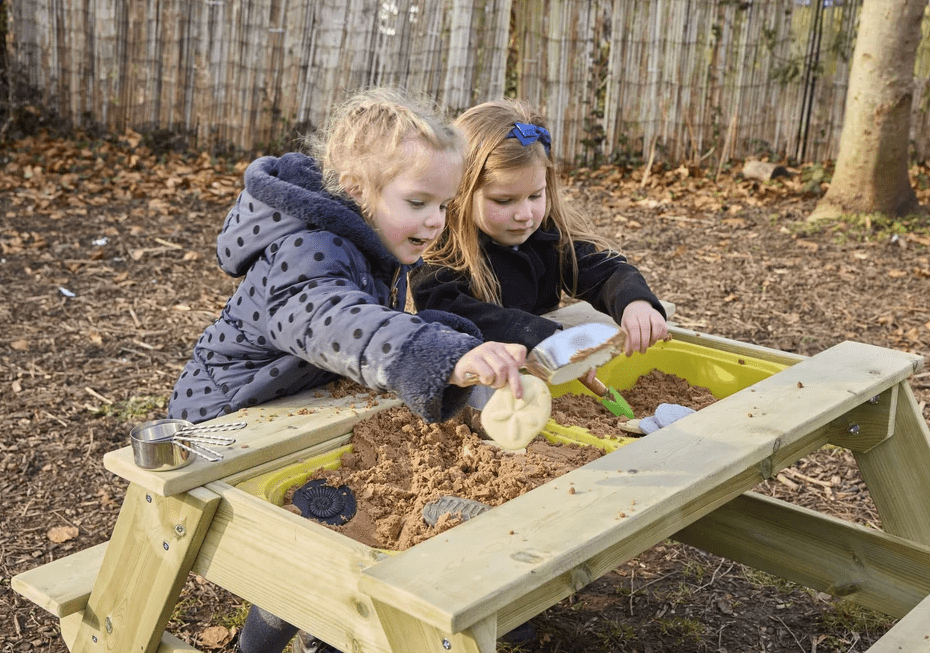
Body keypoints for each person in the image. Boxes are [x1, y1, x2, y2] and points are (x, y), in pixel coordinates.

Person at [167, 87, 527, 653]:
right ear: (358, 189)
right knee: (328, 526)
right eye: (418, 203)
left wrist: (455, 341)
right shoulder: (305, 250)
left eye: (443, 205)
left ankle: (324, 631)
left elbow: (371, 320)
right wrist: (437, 354)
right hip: (221, 433)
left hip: (289, 413)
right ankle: (296, 638)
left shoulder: (368, 239)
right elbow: (333, 320)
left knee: (337, 515)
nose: (436, 221)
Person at [411, 99, 669, 382]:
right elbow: (444, 310)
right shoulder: (440, 247)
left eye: (535, 195)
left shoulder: (548, 233)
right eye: (504, 200)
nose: (524, 215)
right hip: (480, 377)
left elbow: (602, 270)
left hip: (544, 367)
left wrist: (634, 302)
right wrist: (542, 336)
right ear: (460, 192)